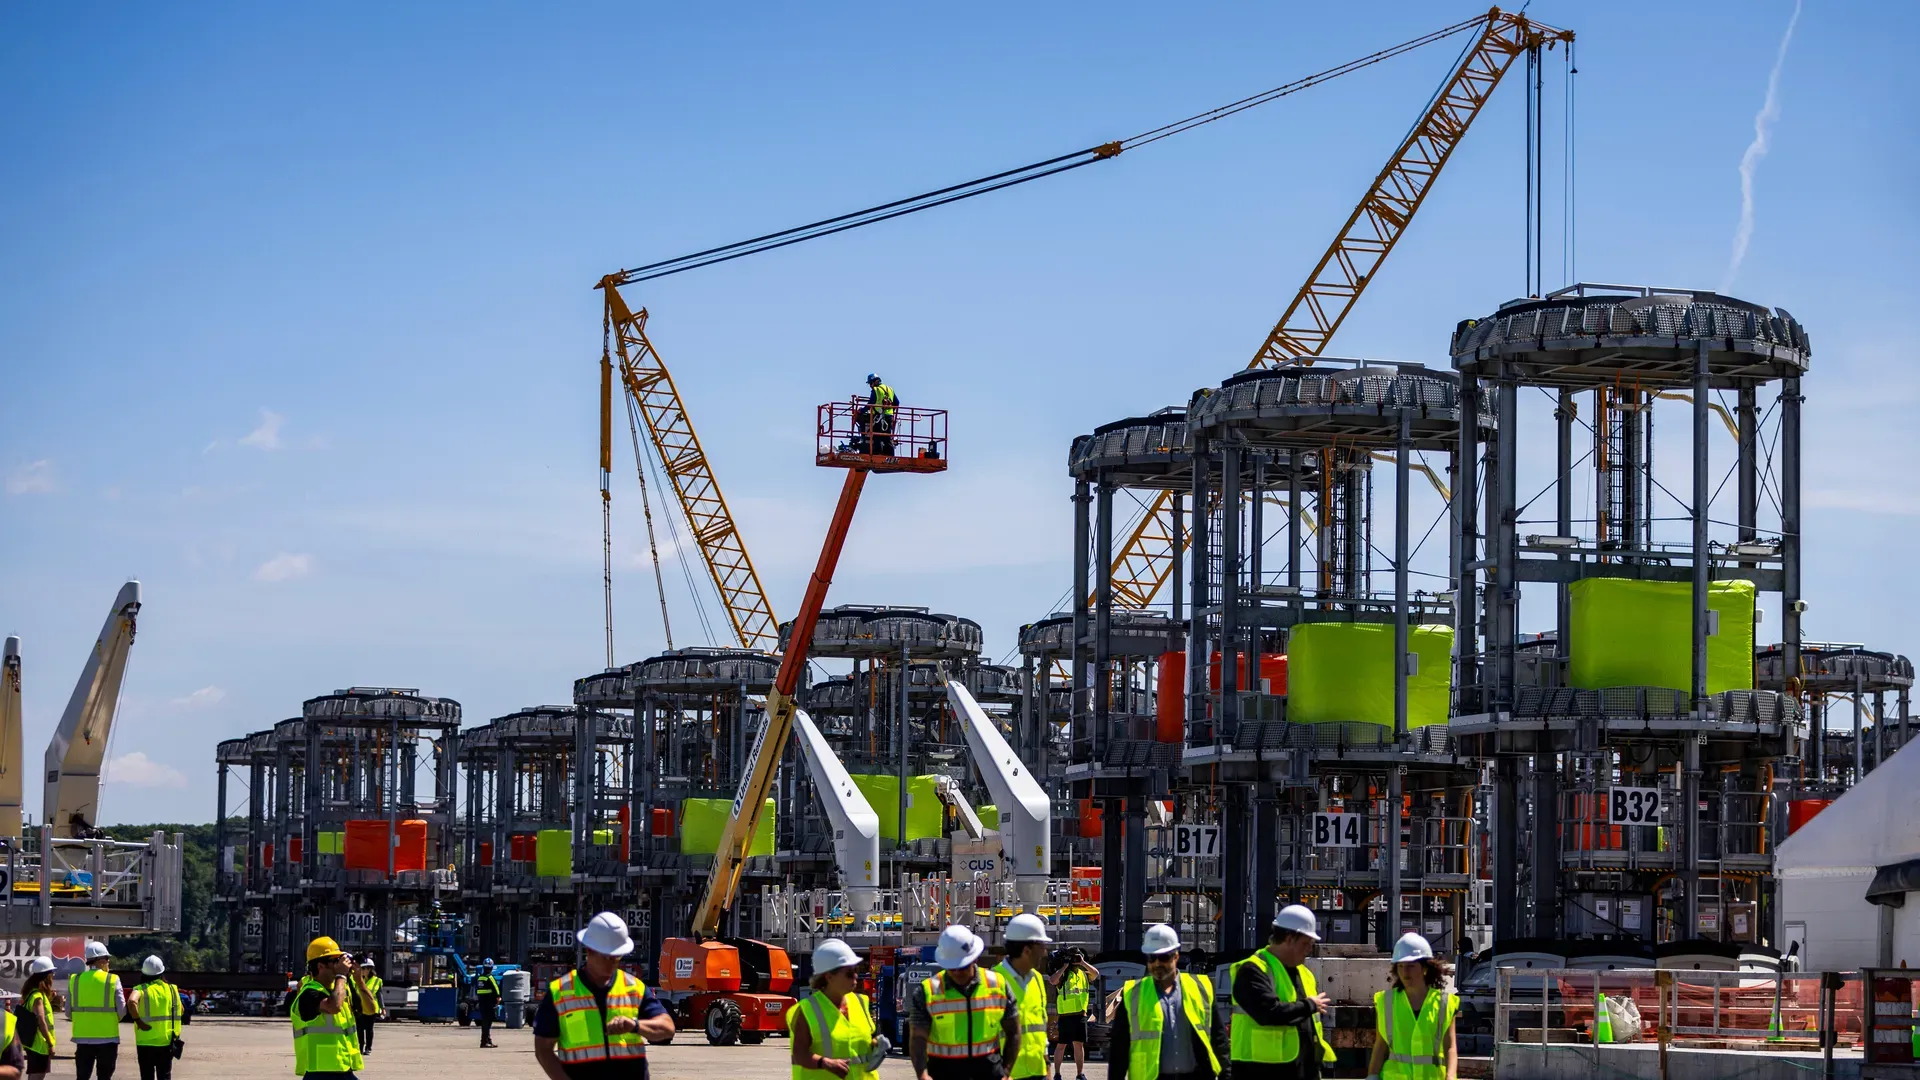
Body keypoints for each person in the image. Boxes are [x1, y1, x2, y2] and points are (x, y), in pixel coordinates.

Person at [532, 911, 675, 1080]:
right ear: (589, 950)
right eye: (607, 957)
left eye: (617, 957)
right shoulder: (560, 992)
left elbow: (667, 1028)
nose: (613, 962)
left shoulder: (634, 987)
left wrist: (635, 1025)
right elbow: (543, 1048)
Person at [1228, 906, 1336, 1080]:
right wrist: (1310, 1005)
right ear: (1289, 938)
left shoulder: (1304, 973)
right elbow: (1269, 1013)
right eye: (1305, 943)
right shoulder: (1252, 970)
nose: (1309, 949)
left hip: (1300, 1069)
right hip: (1260, 1071)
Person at [1109, 924, 1224, 1080]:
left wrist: (1227, 1074)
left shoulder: (1200, 988)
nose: (1157, 963)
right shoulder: (1133, 994)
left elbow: (1219, 1039)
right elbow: (1119, 1050)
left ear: (1176, 956)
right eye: (1151, 958)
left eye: (1163, 957)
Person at [909, 925, 1018, 1080]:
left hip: (989, 1073)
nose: (957, 972)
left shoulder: (998, 984)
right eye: (952, 968)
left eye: (963, 966)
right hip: (943, 1073)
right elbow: (918, 1038)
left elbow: (1013, 1031)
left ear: (975, 958)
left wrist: (1006, 1073)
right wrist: (922, 1074)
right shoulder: (927, 991)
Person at [1366, 934, 1458, 1080]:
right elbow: (1380, 1044)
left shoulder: (1444, 1003)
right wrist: (1372, 1075)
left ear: (1424, 968)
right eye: (1400, 966)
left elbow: (1450, 1047)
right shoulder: (1386, 1001)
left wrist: (1450, 1076)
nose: (1404, 972)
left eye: (1410, 966)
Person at [788, 939, 879, 1080]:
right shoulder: (807, 1010)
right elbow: (799, 1054)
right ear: (829, 976)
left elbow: (866, 1039)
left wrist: (876, 1044)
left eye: (856, 971)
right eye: (849, 973)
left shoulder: (861, 1002)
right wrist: (825, 1063)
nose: (855, 976)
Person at [290, 937, 368, 1079]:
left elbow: (368, 1010)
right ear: (320, 966)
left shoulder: (339, 989)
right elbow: (334, 1007)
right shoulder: (309, 992)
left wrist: (358, 981)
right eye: (335, 961)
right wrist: (341, 975)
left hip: (343, 1069)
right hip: (319, 1073)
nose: (339, 965)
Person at [993, 914, 1052, 1080]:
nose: (1045, 952)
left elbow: (1041, 1027)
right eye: (1042, 946)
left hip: (1038, 1072)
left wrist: (1047, 1066)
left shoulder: (1038, 979)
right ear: (1027, 950)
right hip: (1009, 1075)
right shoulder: (993, 981)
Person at [71, 940, 125, 1080]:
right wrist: (112, 1020)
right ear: (101, 960)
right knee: (104, 1077)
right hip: (108, 1038)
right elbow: (122, 1009)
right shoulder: (112, 979)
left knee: (82, 1077)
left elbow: (67, 1011)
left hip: (82, 1038)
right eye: (107, 959)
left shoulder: (75, 980)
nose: (108, 962)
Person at [1048, 948, 1099, 1080]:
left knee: (1079, 1044)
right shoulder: (1064, 974)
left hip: (1080, 1015)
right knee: (1061, 1045)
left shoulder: (1083, 974)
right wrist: (1065, 966)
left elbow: (1096, 973)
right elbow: (1053, 981)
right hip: (1065, 1016)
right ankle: (1057, 1074)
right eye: (1074, 958)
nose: (1075, 960)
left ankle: (1079, 1074)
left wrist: (1082, 963)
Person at [130, 955, 181, 1080]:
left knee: (147, 1075)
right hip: (166, 1040)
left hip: (145, 1041)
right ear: (162, 972)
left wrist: (138, 1020)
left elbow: (132, 1002)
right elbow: (181, 1010)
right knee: (164, 1075)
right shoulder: (172, 989)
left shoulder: (140, 989)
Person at [19, 957, 57, 1078]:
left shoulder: (32, 993)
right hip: (39, 1044)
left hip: (35, 1043)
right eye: (52, 973)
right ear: (47, 976)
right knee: (37, 1076)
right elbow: (41, 1020)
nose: (53, 975)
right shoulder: (37, 996)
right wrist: (50, 1043)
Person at [856, 374, 898, 455]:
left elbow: (871, 403)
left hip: (878, 417)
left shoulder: (876, 390)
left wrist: (861, 411)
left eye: (870, 384)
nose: (870, 386)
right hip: (889, 417)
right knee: (888, 437)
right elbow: (896, 402)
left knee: (876, 436)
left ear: (873, 382)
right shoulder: (890, 389)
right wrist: (890, 411)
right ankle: (890, 455)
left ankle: (878, 454)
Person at [353, 960, 383, 1055]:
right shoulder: (357, 979)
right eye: (361, 968)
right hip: (360, 1008)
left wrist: (383, 1008)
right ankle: (360, 1046)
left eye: (364, 969)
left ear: (369, 969)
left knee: (369, 1028)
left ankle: (368, 1048)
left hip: (371, 1008)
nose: (362, 971)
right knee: (360, 1028)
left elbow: (379, 995)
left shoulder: (377, 980)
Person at [474, 958, 501, 1048]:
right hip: (489, 1003)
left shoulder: (480, 978)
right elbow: (496, 988)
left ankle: (487, 1041)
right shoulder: (490, 977)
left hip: (482, 1003)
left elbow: (477, 990)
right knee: (488, 1023)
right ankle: (484, 1042)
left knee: (485, 1022)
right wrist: (498, 997)